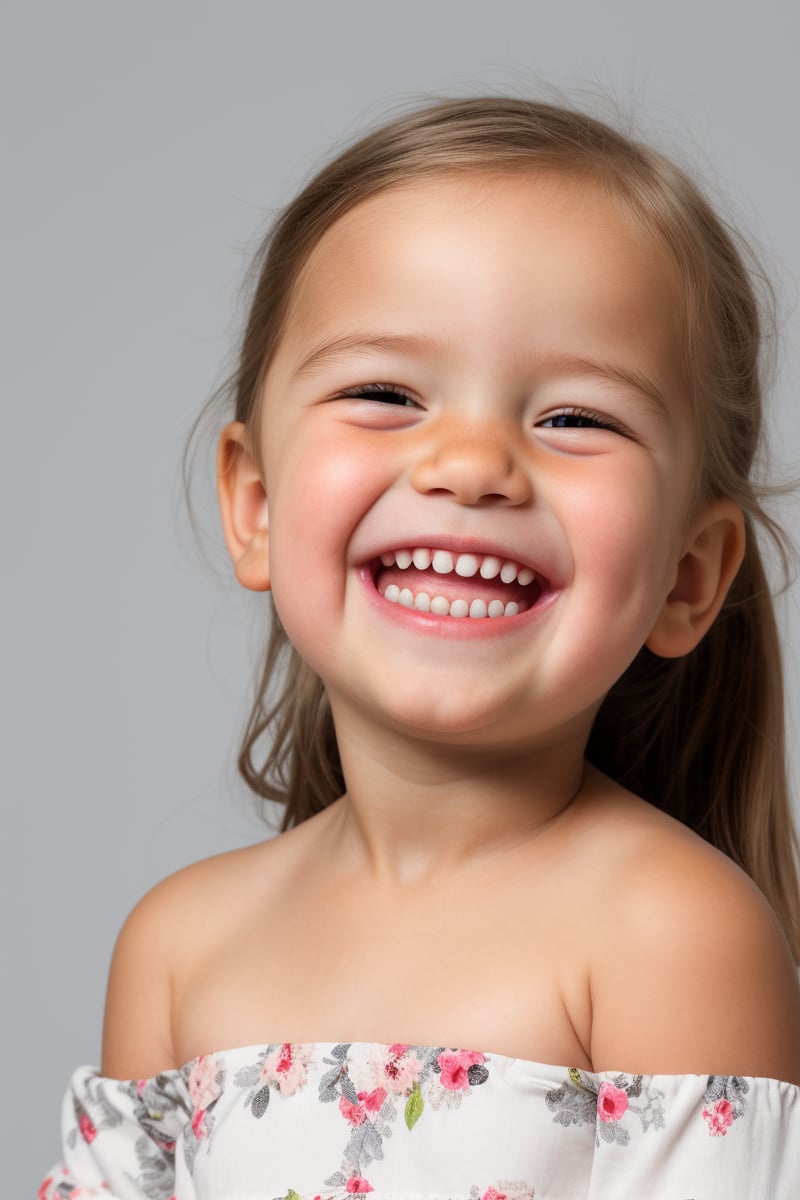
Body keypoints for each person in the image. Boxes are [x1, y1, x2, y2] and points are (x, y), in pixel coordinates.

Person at [41, 96, 800, 1199]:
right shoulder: (176, 945)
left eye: (575, 417)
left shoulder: (670, 932)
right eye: (385, 394)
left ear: (688, 575)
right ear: (254, 503)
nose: (470, 462)